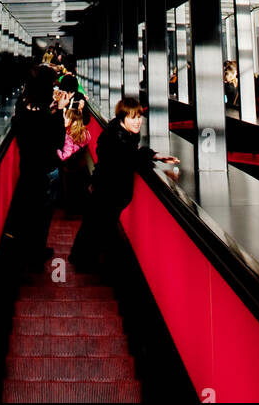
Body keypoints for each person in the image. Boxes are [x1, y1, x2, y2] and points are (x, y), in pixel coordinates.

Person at [69, 96, 178, 274]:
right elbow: (130, 157)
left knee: (93, 224)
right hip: (108, 192)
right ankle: (86, 263)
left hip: (105, 188)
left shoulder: (119, 132)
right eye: (133, 118)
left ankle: (81, 258)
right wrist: (151, 156)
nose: (138, 122)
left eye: (139, 117)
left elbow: (131, 153)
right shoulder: (117, 139)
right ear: (122, 118)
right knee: (99, 226)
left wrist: (155, 155)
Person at [7, 65, 65, 264]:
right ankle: (37, 253)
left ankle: (24, 251)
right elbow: (58, 142)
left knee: (28, 211)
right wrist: (60, 112)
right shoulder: (47, 117)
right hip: (47, 169)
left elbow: (26, 129)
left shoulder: (22, 108)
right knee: (43, 214)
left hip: (27, 168)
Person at [57, 102, 91, 214]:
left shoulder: (68, 136)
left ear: (73, 122)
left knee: (70, 190)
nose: (64, 120)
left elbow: (64, 156)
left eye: (67, 118)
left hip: (70, 168)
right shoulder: (86, 134)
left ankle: (70, 209)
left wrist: (57, 150)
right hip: (81, 167)